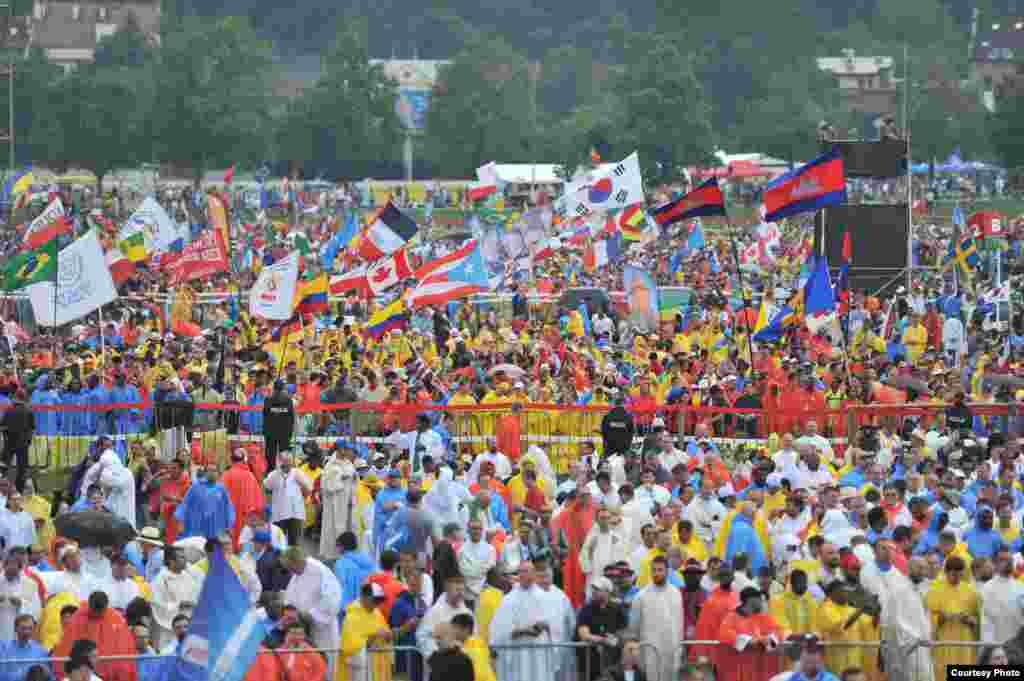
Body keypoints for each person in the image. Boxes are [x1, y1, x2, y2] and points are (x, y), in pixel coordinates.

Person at [280, 546, 342, 677]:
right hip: (305, 628)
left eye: (290, 568)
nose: (290, 572)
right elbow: (290, 599)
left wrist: (312, 614)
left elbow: (332, 598)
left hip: (324, 628)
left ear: (297, 562)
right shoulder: (297, 575)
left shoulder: (319, 570)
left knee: (325, 663)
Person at [53, 592, 139, 681]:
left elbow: (126, 650)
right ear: (90, 605)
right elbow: (66, 648)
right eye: (95, 610)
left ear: (106, 607)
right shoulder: (78, 618)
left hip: (111, 674)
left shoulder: (117, 620)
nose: (97, 614)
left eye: (100, 611)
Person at [489, 561, 552, 681]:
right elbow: (499, 629)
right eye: (521, 571)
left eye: (528, 571)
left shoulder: (544, 597)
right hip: (517, 651)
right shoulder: (508, 599)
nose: (524, 575)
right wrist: (521, 630)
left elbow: (553, 624)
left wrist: (544, 625)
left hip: (537, 651)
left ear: (534, 574)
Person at [628, 555, 682, 681]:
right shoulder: (641, 597)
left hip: (671, 650)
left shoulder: (676, 594)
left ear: (667, 571)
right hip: (649, 652)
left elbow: (679, 624)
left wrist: (679, 650)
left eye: (660, 570)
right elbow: (633, 628)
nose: (656, 573)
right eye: (654, 570)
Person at [717, 586, 784, 681]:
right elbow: (724, 634)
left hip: (760, 669)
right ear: (751, 600)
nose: (762, 603)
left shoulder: (764, 617)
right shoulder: (731, 617)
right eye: (760, 600)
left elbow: (779, 631)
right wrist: (749, 641)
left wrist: (769, 640)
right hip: (739, 670)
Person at [150, 546, 203, 650]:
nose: (185, 560)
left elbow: (199, 591)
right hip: (170, 629)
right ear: (171, 561)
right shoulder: (160, 580)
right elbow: (157, 605)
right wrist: (178, 605)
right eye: (181, 557)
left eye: (185, 557)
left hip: (190, 624)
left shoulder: (189, 575)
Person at [576, 576, 628, 680]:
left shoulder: (617, 609)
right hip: (589, 663)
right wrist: (604, 640)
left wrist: (617, 638)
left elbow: (625, 632)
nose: (594, 591)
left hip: (612, 664)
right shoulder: (586, 609)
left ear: (607, 592)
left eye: (598, 589)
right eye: (593, 588)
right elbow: (584, 634)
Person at [339, 582, 394, 681]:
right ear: (364, 597)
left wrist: (388, 636)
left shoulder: (377, 613)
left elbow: (387, 634)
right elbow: (351, 650)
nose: (377, 604)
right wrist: (373, 637)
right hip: (361, 670)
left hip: (377, 666)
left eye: (379, 601)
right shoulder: (352, 617)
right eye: (375, 600)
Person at [174, 464, 236, 540]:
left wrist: (229, 526)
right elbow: (185, 504)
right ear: (205, 473)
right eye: (209, 470)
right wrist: (181, 523)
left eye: (214, 471)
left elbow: (228, 507)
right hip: (198, 529)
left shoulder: (221, 489)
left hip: (215, 530)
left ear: (218, 473)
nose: (211, 473)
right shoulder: (195, 487)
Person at [221, 448, 266, 551]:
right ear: (244, 460)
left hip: (229, 520)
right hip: (245, 520)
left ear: (231, 460)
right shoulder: (250, 476)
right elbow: (259, 503)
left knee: (228, 549)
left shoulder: (226, 475)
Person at [265, 454, 313, 547]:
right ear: (280, 462)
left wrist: (303, 486)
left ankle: (293, 556)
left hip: (295, 513)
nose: (287, 463)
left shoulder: (298, 473)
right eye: (284, 461)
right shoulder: (274, 474)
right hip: (279, 514)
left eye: (289, 461)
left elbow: (310, 487)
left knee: (294, 544)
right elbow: (267, 486)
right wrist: (277, 472)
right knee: (278, 542)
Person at [320, 448, 359, 560]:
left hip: (347, 502)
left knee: (347, 526)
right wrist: (340, 478)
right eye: (345, 449)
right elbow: (325, 485)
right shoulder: (330, 465)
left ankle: (346, 552)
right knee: (333, 528)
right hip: (334, 503)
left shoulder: (349, 464)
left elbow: (355, 480)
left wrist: (354, 478)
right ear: (339, 450)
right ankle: (332, 554)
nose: (348, 452)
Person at [979, 547, 1024, 644]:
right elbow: (986, 622)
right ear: (995, 564)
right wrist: (990, 645)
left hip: (1018, 646)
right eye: (1003, 560)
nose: (1008, 562)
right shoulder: (987, 589)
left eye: (1010, 559)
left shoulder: (1021, 588)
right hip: (996, 646)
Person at [0, 549, 41, 640]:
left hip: (20, 628)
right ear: (4, 567)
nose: (10, 572)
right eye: (8, 569)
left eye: (13, 569)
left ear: (19, 569)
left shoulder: (29, 584)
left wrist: (21, 604)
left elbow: (36, 609)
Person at [335, 530, 376, 616]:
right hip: (367, 606)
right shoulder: (368, 560)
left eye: (337, 545)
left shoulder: (341, 563)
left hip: (347, 608)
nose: (336, 548)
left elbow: (340, 586)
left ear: (342, 547)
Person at [1, 390, 33, 492]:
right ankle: (19, 489)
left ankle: (2, 485)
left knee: (3, 465)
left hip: (9, 441)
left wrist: (6, 436)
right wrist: (28, 440)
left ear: (16, 397)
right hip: (23, 442)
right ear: (24, 398)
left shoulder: (9, 409)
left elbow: (3, 426)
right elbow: (32, 428)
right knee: (22, 468)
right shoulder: (28, 410)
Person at [0, 614, 48, 681]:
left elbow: (48, 675)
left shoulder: (41, 650)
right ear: (15, 629)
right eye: (23, 628)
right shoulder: (3, 648)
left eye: (30, 628)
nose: (27, 632)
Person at [263, 379, 295, 471]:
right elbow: (291, 417)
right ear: (283, 388)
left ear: (274, 388)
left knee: (270, 454)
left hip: (271, 431)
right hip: (284, 431)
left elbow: (265, 415)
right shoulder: (288, 400)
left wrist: (265, 431)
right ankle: (284, 471)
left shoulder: (268, 400)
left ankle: (271, 470)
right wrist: (290, 431)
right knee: (283, 453)